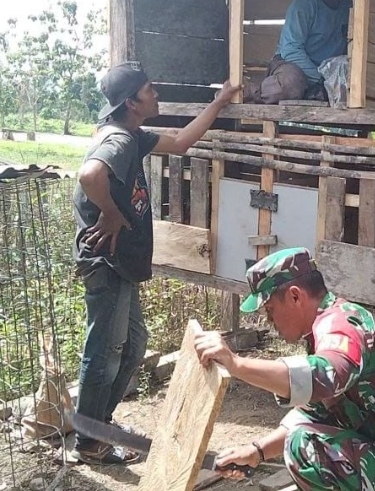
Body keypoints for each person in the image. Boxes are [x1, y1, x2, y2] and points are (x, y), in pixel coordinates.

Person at [69, 62, 240, 465]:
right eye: (150, 90)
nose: (157, 93)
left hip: (120, 263)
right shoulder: (119, 141)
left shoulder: (133, 135)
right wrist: (111, 213)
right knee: (105, 351)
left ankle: (100, 426)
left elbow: (181, 142)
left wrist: (218, 101)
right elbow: (89, 175)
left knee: (131, 347)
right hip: (105, 263)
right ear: (132, 102)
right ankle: (90, 441)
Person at [193, 247, 375, 490]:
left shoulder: (342, 324)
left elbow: (324, 376)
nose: (270, 320)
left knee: (303, 447)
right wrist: (256, 452)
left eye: (271, 309)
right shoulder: (326, 329)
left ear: (295, 296)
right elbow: (314, 413)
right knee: (302, 437)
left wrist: (237, 364)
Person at [244, 0, 352, 104]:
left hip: (327, 77)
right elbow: (290, 50)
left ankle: (314, 93)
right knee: (290, 83)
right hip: (293, 66)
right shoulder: (305, 4)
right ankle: (253, 92)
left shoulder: (349, 9)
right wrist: (319, 79)